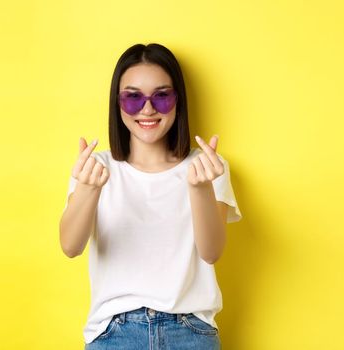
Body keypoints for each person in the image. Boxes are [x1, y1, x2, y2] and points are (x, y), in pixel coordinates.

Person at [58, 43, 242, 349]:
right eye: (132, 98)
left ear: (177, 100)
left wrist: (198, 188)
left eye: (161, 95)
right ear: (117, 104)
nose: (147, 109)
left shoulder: (208, 166)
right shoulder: (96, 168)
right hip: (114, 333)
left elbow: (211, 252)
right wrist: (89, 189)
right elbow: (70, 246)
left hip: (190, 331)